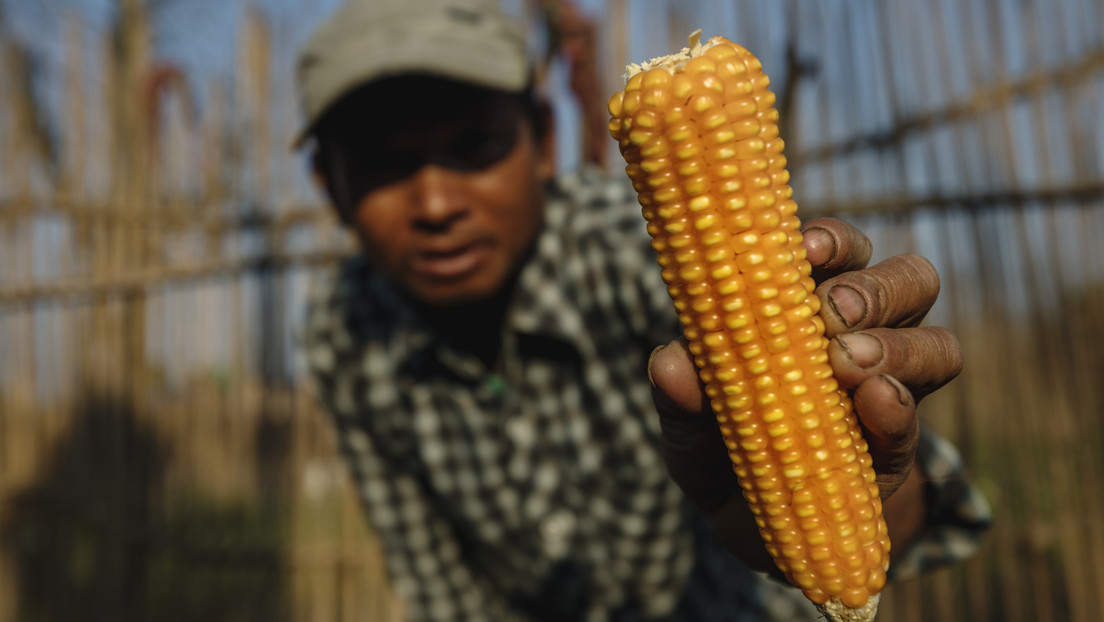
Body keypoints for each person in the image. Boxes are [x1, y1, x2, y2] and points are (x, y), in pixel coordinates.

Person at [295, 1, 991, 620]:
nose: (437, 206)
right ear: (331, 184)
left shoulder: (631, 250)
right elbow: (440, 586)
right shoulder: (345, 336)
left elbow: (917, 505)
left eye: (473, 147)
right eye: (386, 165)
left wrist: (853, 488)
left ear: (542, 141)